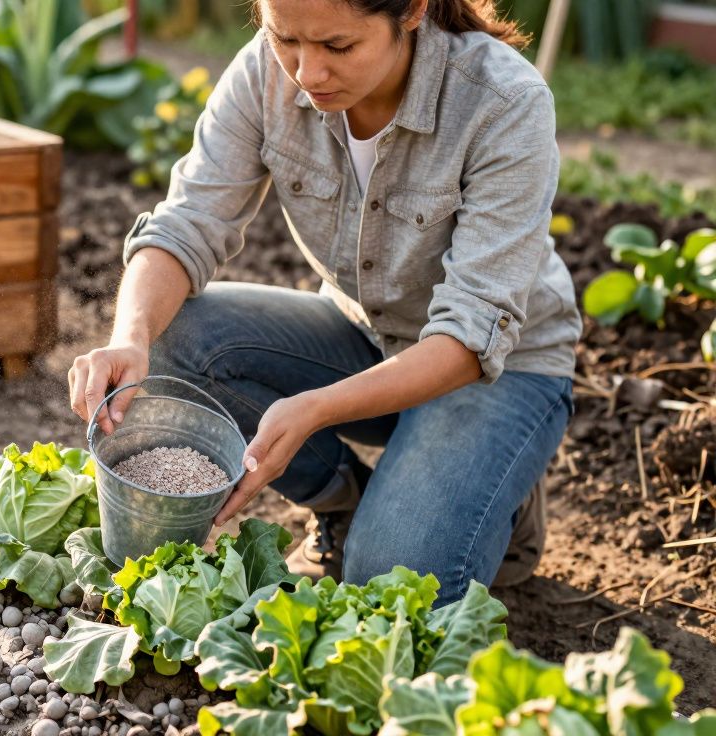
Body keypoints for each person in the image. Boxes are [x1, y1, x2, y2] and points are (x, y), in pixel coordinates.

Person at [68, 0, 580, 606]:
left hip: (496, 370)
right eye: (286, 39)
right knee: (175, 332)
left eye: (338, 47)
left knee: (391, 582)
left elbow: (473, 335)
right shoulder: (263, 72)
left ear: (411, 12)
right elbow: (186, 223)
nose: (307, 74)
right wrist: (130, 335)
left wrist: (313, 408)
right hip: (362, 333)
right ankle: (348, 504)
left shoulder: (502, 100)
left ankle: (499, 486)